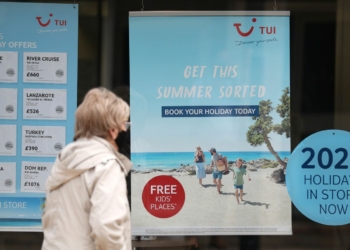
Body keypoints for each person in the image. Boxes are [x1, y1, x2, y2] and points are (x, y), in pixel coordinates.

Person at [42, 87, 132, 250]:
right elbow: (107, 229)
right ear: (112, 129)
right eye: (123, 124)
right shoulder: (106, 165)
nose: (125, 129)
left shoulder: (66, 159)